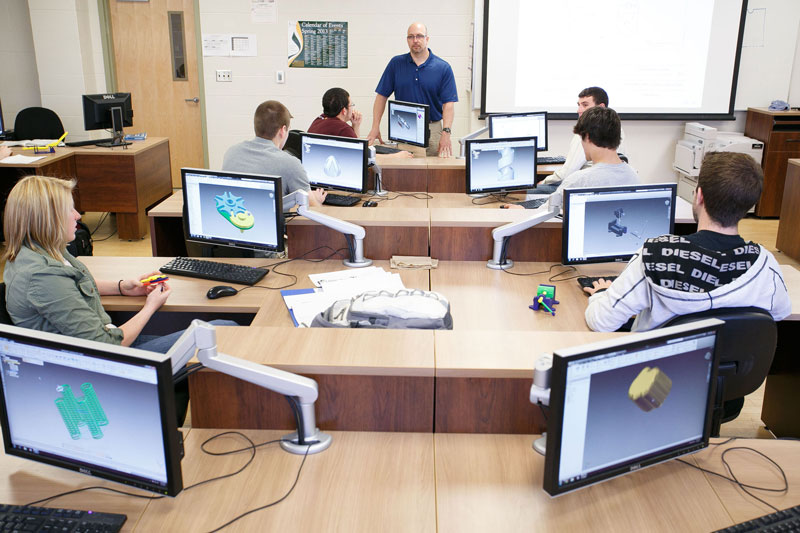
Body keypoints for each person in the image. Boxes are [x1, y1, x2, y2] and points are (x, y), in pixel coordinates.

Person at [2, 175, 238, 354]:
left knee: (204, 328)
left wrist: (123, 286)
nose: (78, 216)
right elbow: (106, 345)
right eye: (69, 210)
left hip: (105, 340)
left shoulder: (38, 251)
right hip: (106, 363)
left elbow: (75, 284)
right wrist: (150, 306)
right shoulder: (42, 276)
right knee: (222, 331)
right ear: (47, 219)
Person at [584, 151, 791, 333]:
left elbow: (602, 322)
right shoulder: (765, 265)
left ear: (699, 196)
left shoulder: (654, 256)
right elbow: (780, 313)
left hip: (657, 374)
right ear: (750, 204)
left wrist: (602, 294)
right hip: (731, 375)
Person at [502, 106, 638, 210]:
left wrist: (521, 209)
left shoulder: (579, 181)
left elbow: (543, 213)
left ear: (587, 137)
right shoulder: (633, 176)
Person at [367, 22, 458, 158]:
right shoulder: (396, 64)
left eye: (419, 36)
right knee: (404, 171)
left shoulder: (443, 68)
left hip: (432, 130)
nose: (415, 40)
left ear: (427, 39)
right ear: (407, 40)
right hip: (404, 128)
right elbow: (381, 96)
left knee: (432, 173)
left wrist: (446, 132)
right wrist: (375, 126)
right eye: (411, 37)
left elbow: (448, 104)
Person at [223, 100, 325, 206]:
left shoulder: (231, 152)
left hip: (235, 219)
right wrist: (316, 199)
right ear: (283, 130)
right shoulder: (290, 164)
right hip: (271, 221)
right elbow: (314, 209)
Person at [536, 87, 626, 195]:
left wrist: (543, 182)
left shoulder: (587, 131)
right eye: (578, 105)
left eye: (585, 105)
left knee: (523, 193)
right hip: (608, 186)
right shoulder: (618, 129)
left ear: (601, 107)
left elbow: (567, 174)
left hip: (585, 187)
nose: (579, 110)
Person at [308, 88, 413, 158]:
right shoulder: (342, 129)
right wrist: (397, 156)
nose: (353, 108)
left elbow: (357, 148)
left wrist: (355, 125)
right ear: (344, 111)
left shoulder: (319, 119)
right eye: (351, 105)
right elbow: (364, 157)